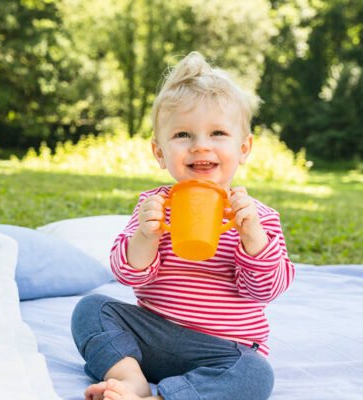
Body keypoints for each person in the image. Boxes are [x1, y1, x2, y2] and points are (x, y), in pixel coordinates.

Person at [71, 51, 295, 400]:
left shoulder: (257, 217)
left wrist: (252, 238)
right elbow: (128, 275)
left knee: (255, 374)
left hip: (222, 349)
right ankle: (131, 379)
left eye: (218, 133)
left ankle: (169, 397)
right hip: (152, 337)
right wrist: (147, 235)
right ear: (159, 152)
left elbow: (265, 290)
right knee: (91, 310)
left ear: (244, 147)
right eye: (183, 135)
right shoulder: (154, 206)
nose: (200, 146)